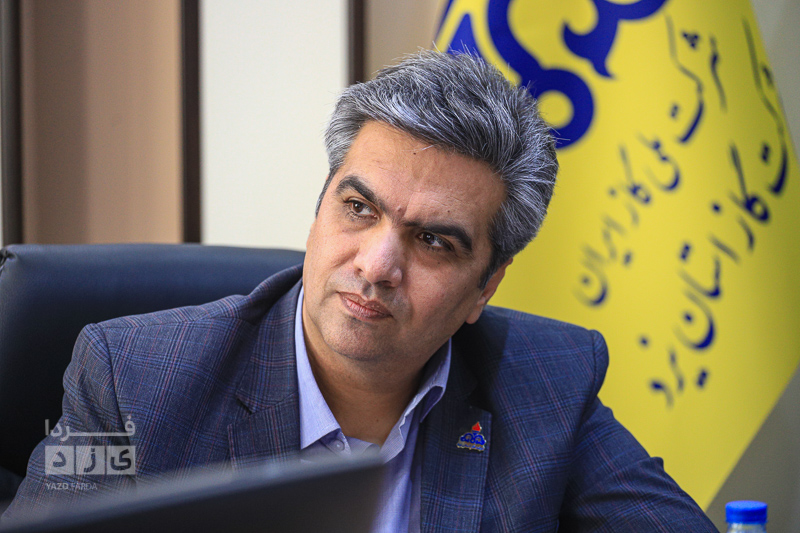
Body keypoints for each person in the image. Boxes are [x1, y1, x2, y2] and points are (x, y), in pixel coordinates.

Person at [3, 51, 716, 531]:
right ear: (318, 208)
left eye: (435, 241)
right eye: (358, 208)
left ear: (485, 287)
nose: (377, 264)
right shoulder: (132, 380)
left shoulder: (547, 383)